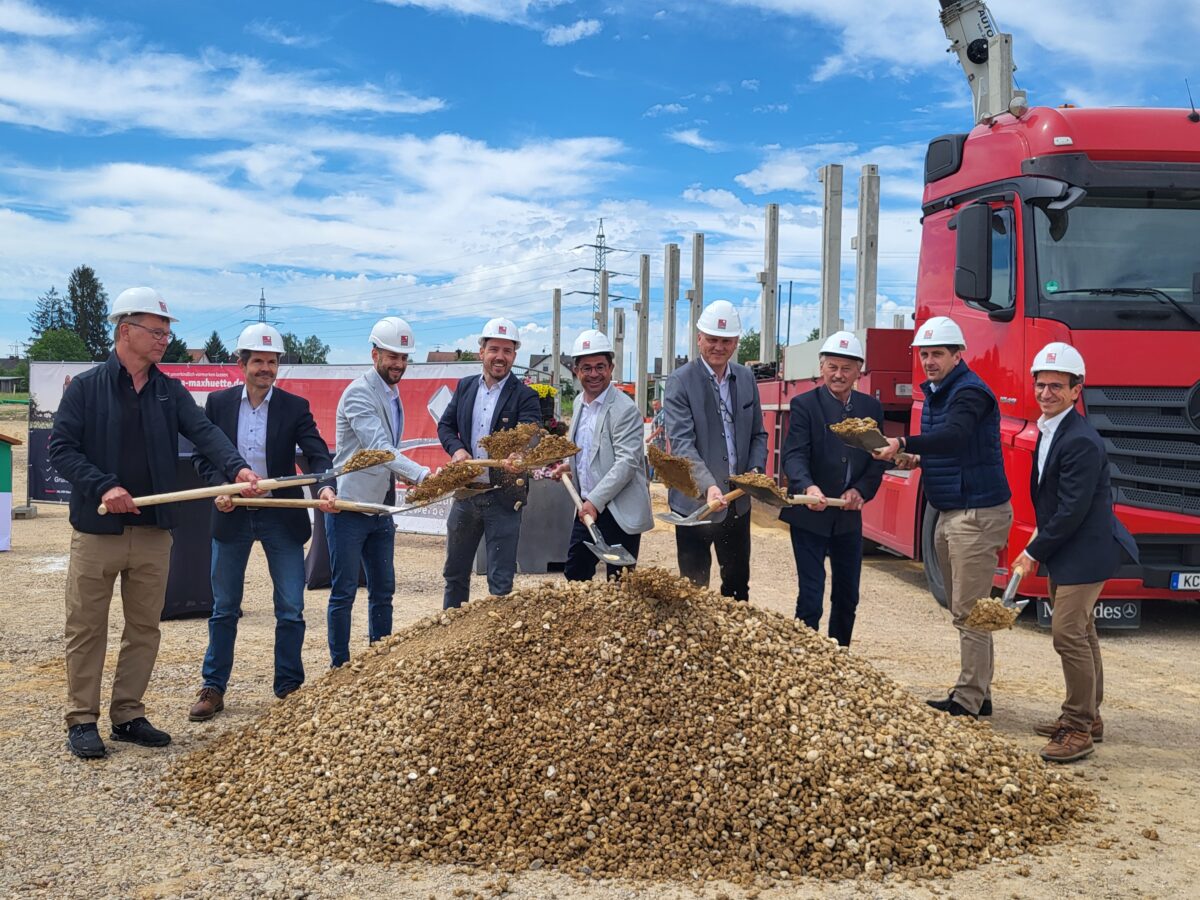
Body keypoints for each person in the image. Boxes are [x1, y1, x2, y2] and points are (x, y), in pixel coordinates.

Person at [48, 287, 257, 759]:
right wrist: (104, 486)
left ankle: (127, 714)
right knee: (86, 627)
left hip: (153, 531)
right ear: (126, 331)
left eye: (167, 332)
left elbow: (205, 433)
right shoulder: (86, 387)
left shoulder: (170, 390)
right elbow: (62, 449)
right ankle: (82, 719)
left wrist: (237, 468)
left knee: (144, 627)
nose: (165, 339)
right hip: (98, 530)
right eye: (157, 331)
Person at [187, 324, 339, 722]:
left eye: (272, 362)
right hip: (232, 513)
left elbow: (317, 454)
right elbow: (203, 457)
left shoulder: (293, 407)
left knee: (290, 606)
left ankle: (288, 686)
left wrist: (325, 488)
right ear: (242, 364)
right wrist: (220, 487)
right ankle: (213, 687)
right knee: (224, 607)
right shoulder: (218, 404)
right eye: (258, 361)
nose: (266, 369)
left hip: (279, 516)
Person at [875, 316, 1012, 719]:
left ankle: (968, 700)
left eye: (937, 354)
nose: (929, 361)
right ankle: (978, 692)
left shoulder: (969, 393)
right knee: (966, 610)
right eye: (924, 354)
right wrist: (915, 457)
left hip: (975, 512)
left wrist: (902, 440)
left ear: (957, 355)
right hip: (952, 510)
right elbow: (952, 449)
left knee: (969, 611)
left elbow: (954, 436)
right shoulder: (938, 391)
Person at [1013, 343, 1138, 762]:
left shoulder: (1080, 440)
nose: (1046, 392)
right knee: (1082, 632)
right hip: (1071, 550)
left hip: (1085, 551)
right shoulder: (1053, 429)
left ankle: (1078, 727)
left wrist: (1032, 550)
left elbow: (1072, 510)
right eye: (1041, 384)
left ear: (1076, 390)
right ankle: (1091, 717)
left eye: (1056, 386)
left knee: (1067, 633)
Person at [326, 317, 430, 667]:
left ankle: (378, 663)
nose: (399, 364)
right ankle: (338, 669)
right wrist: (423, 475)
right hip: (350, 508)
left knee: (383, 591)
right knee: (343, 593)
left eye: (404, 357)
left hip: (381, 509)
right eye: (392, 356)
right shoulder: (359, 393)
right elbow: (381, 449)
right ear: (374, 355)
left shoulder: (390, 392)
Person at [780, 332, 887, 646]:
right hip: (810, 516)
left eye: (846, 368)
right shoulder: (804, 405)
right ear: (821, 367)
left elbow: (878, 458)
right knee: (811, 595)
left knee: (847, 595)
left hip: (847, 518)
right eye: (832, 367)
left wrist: (861, 490)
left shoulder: (871, 408)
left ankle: (840, 655)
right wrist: (807, 486)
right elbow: (794, 454)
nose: (838, 374)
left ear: (859, 371)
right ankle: (806, 658)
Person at [663, 300, 767, 600]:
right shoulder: (681, 382)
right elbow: (682, 443)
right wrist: (709, 486)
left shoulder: (746, 379)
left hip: (737, 502)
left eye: (726, 341)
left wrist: (755, 472)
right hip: (696, 505)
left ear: (735, 342)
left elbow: (758, 434)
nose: (718, 347)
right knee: (694, 590)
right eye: (712, 339)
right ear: (699, 338)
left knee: (736, 588)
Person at [437, 317, 541, 609]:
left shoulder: (525, 396)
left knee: (500, 581)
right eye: (494, 348)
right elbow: (445, 426)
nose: (500, 357)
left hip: (503, 498)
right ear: (481, 351)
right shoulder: (466, 387)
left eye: (507, 351)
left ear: (514, 356)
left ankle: (495, 646)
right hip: (467, 495)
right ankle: (451, 634)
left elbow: (531, 433)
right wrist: (457, 450)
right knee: (455, 574)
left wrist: (520, 454)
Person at [551, 329, 653, 581]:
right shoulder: (578, 403)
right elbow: (587, 448)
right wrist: (569, 466)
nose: (593, 374)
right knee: (575, 576)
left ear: (611, 368)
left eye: (600, 367)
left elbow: (626, 463)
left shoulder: (625, 410)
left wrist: (595, 502)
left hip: (619, 510)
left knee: (620, 586)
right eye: (586, 368)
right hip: (586, 505)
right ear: (576, 370)